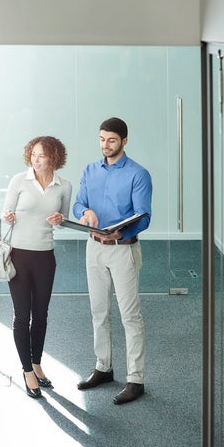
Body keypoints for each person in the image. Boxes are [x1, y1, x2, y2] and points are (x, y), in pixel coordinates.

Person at [72, 117, 152, 405]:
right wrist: (85, 212)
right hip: (94, 248)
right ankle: (103, 368)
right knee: (99, 312)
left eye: (112, 140)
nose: (106, 145)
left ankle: (136, 379)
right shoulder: (90, 170)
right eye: (102, 139)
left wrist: (124, 229)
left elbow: (144, 216)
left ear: (124, 141)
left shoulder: (138, 174)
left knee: (130, 316)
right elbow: (78, 203)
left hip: (123, 249)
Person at [1, 136, 72, 399]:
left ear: (54, 157)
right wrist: (8, 216)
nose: (36, 160)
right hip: (19, 255)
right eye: (33, 155)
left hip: (45, 257)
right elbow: (5, 213)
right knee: (22, 316)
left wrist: (60, 219)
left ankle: (37, 363)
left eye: (42, 155)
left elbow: (62, 221)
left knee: (40, 314)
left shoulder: (64, 186)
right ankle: (27, 370)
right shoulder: (19, 181)